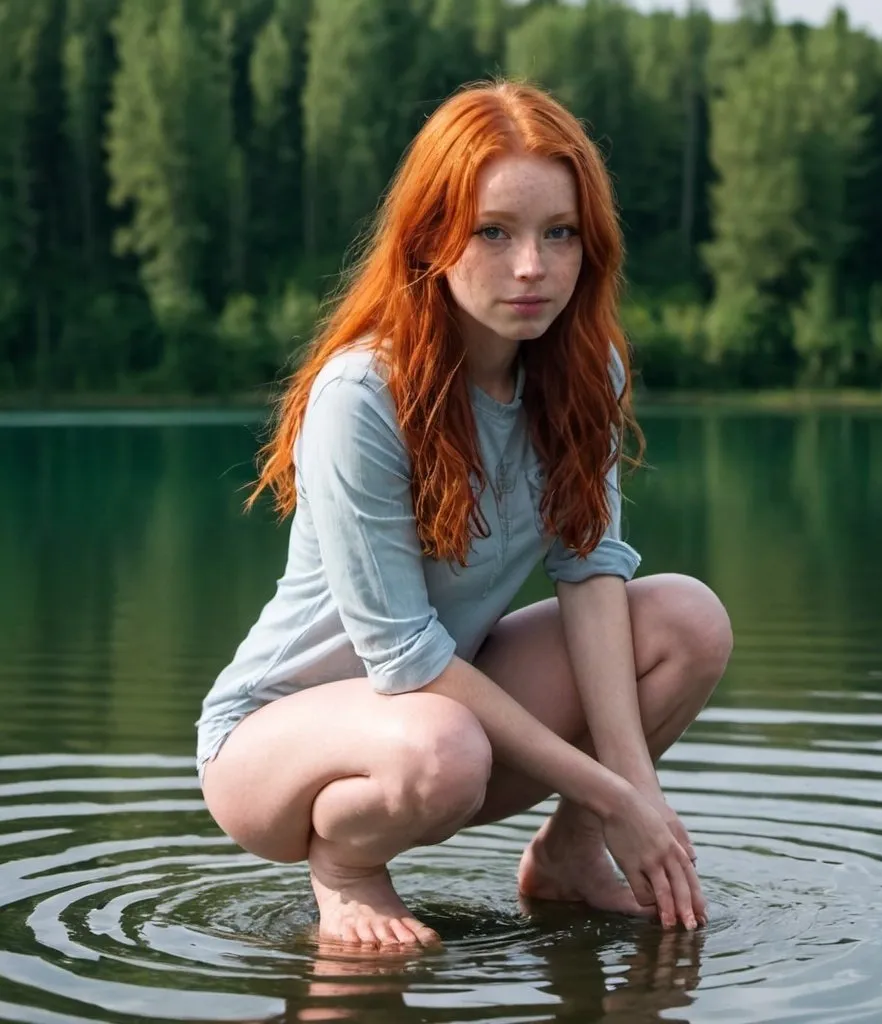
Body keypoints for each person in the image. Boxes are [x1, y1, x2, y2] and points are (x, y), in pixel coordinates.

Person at [196, 79, 733, 951]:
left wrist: (630, 797)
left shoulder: (585, 372)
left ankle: (567, 859)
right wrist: (613, 791)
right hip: (275, 744)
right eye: (495, 231)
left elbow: (590, 570)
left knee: (685, 622)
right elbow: (404, 660)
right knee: (441, 747)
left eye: (559, 233)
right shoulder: (361, 395)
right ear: (431, 238)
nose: (533, 266)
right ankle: (346, 869)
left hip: (443, 706)